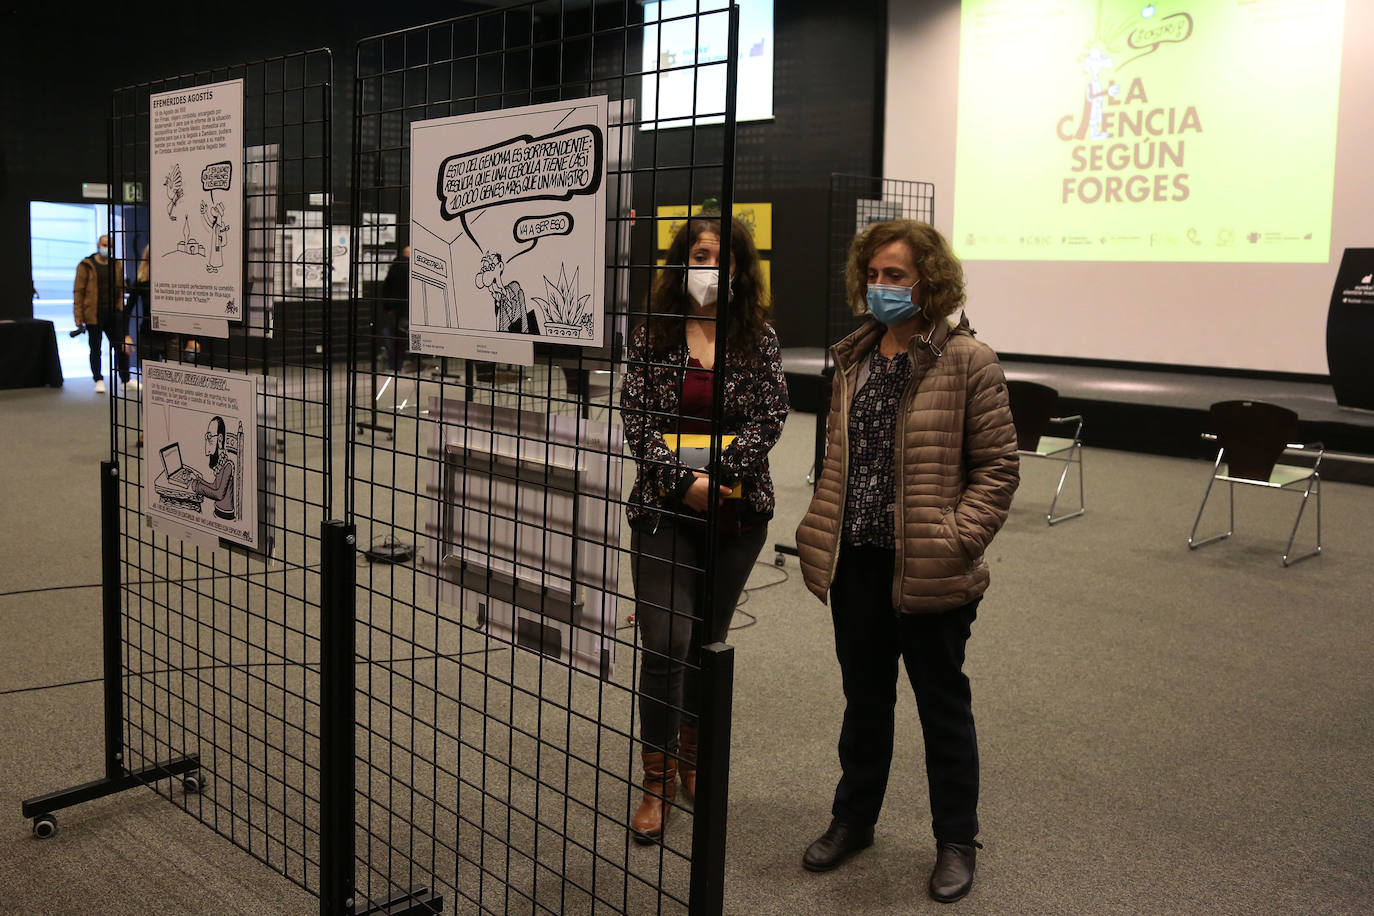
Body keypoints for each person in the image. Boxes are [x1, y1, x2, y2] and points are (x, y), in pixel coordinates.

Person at [794, 220, 1019, 903]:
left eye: (897, 275)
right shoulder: (854, 357)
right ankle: (853, 820)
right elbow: (838, 458)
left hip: (929, 565)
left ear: (931, 282)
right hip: (857, 561)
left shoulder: (968, 360)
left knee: (942, 708)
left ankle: (956, 840)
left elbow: (999, 468)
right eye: (875, 274)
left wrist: (957, 538)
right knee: (865, 704)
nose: (882, 287)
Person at [620, 212, 789, 843]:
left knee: (706, 641)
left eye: (720, 255)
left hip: (737, 514)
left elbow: (773, 414)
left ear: (740, 269)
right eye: (698, 252)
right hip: (664, 508)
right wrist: (680, 485)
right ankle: (656, 779)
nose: (708, 265)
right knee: (666, 640)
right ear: (679, 261)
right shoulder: (652, 335)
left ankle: (691, 758)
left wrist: (715, 478)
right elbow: (635, 418)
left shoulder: (759, 339)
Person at [74, 234, 131, 394]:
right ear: (98, 245)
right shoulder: (86, 265)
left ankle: (125, 379)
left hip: (113, 312)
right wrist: (78, 314)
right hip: (93, 313)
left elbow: (121, 288)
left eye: (109, 246)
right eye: (104, 245)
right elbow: (79, 291)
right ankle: (98, 379)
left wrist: (120, 307)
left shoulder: (116, 265)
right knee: (95, 347)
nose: (106, 248)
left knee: (120, 345)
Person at [191, 416, 236, 520]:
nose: (207, 440)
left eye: (209, 436)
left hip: (225, 515)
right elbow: (215, 486)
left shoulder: (228, 465)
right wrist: (200, 480)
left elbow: (219, 494)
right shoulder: (221, 463)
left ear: (220, 439)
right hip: (217, 511)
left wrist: (197, 487)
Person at [381, 245, 410, 371]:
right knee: (405, 336)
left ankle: (395, 364)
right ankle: (403, 362)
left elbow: (386, 287)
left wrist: (387, 307)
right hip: (408, 307)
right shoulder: (412, 266)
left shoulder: (395, 266)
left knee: (396, 336)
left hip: (395, 308)